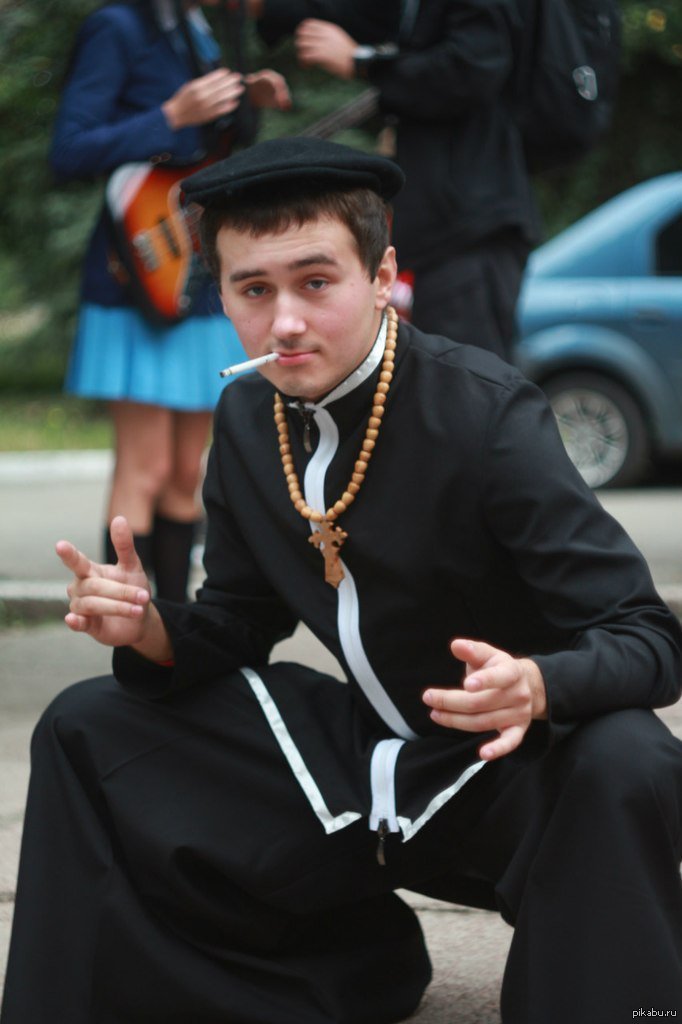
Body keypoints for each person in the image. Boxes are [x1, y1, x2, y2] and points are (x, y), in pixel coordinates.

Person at [3, 138, 682, 1024]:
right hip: (356, 771)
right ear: (223, 296)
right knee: (87, 724)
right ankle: (319, 971)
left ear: (382, 275)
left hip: (504, 771)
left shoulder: (485, 413)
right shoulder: (247, 417)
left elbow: (649, 637)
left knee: (627, 753)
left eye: (316, 282)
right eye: (253, 290)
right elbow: (239, 622)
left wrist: (540, 684)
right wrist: (147, 628)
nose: (285, 322)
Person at [50, 0, 291, 601]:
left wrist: (246, 104)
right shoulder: (117, 26)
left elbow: (204, 157)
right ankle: (127, 627)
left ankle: (174, 625)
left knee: (187, 472)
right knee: (146, 467)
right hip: (137, 275)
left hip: (199, 274)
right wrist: (170, 115)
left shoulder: (199, 27)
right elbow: (69, 150)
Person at [251, 0, 540, 362]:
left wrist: (362, 61)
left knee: (465, 378)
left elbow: (471, 68)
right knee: (437, 373)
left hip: (471, 226)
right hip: (443, 226)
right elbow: (366, 15)